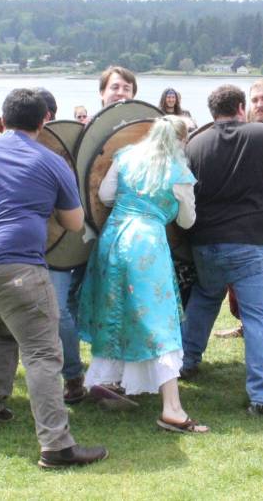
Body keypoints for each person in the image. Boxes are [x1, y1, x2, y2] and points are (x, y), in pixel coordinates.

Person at [0, 88, 108, 468]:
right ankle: (57, 446)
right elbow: (74, 222)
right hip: (16, 266)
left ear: (3, 120)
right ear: (44, 122)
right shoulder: (51, 161)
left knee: (1, 332)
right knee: (43, 353)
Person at [180, 84, 263, 416]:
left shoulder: (195, 143)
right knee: (259, 318)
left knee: (204, 300)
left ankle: (184, 362)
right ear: (240, 107)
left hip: (204, 241)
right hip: (250, 241)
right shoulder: (261, 134)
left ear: (212, 112)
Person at [79, 116, 208, 433]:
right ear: (182, 140)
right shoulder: (180, 173)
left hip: (114, 237)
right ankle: (172, 408)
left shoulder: (125, 156)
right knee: (159, 320)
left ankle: (110, 379)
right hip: (146, 245)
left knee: (115, 309)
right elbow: (188, 221)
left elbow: (106, 195)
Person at [213, 77, 263, 339]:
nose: (259, 104)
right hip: (245, 222)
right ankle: (247, 325)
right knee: (238, 287)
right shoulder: (241, 132)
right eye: (254, 99)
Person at [36, 88, 88, 404]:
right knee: (59, 307)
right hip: (41, 241)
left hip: (69, 240)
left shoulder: (71, 142)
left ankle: (72, 375)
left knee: (59, 309)